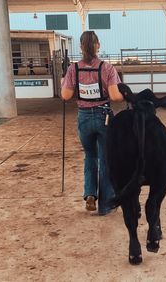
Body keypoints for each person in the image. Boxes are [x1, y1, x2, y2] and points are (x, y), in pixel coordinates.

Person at [61, 31, 123, 216]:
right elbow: (114, 96)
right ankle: (105, 205)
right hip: (103, 117)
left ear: (80, 47)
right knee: (105, 160)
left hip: (84, 117)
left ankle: (90, 194)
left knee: (90, 156)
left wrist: (63, 81)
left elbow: (65, 95)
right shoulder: (107, 69)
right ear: (98, 45)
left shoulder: (74, 69)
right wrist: (126, 94)